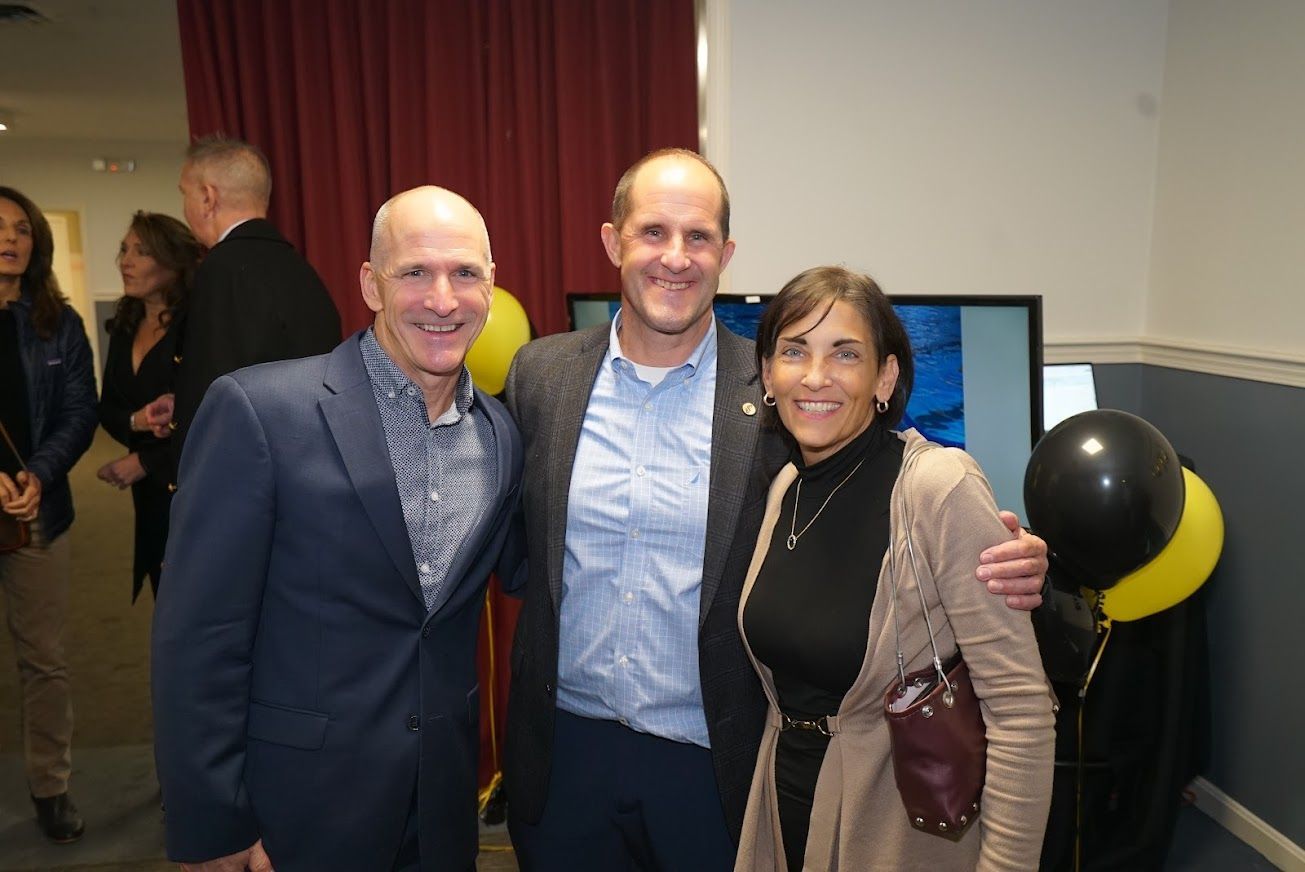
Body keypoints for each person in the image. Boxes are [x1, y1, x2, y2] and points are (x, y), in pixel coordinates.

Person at [502, 149, 1049, 870]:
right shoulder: (539, 376)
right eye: (652, 232)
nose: (675, 257)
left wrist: (1014, 547)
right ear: (612, 242)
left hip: (713, 760)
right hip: (566, 752)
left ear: (724, 254)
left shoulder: (773, 400)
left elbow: (887, 465)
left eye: (697, 237)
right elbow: (505, 539)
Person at [151, 186, 524, 871]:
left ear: (491, 287)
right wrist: (211, 821)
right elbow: (199, 635)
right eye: (414, 272)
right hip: (296, 810)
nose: (442, 299)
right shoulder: (261, 411)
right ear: (370, 284)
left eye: (464, 273)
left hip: (440, 808)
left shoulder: (501, 435)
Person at [734, 266, 1055, 871]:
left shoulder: (938, 486)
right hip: (788, 805)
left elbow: (1019, 708)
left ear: (885, 377)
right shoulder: (785, 489)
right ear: (769, 375)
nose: (816, 376)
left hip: (897, 829)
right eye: (794, 351)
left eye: (845, 354)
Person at [146, 135, 341, 486]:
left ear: (207, 197)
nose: (184, 207)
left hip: (243, 481)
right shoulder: (300, 270)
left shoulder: (222, 269)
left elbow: (219, 389)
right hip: (304, 469)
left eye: (184, 193)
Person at [0, 186, 97, 843]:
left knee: (45, 659)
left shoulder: (57, 321)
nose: (10, 238)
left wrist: (38, 474)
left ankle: (51, 787)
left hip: (37, 512)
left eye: (21, 229)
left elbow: (79, 411)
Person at [96, 211, 202, 601]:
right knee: (167, 599)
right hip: (151, 498)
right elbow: (106, 408)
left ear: (173, 262)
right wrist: (136, 421)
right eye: (124, 250)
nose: (126, 261)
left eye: (141, 252)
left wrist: (145, 463)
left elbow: (208, 419)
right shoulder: (124, 325)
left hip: (194, 488)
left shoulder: (197, 326)